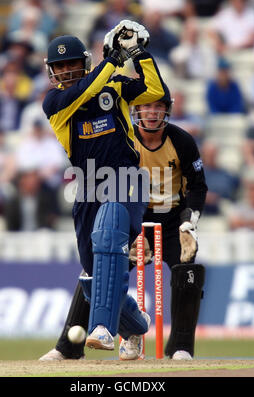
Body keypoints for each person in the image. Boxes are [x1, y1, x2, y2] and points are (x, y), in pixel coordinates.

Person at [40, 83, 208, 361]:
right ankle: (68, 346)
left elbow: (198, 187)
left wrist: (189, 224)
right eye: (146, 106)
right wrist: (130, 229)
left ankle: (180, 347)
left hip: (170, 223)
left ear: (167, 109)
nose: (152, 113)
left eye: (159, 107)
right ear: (135, 109)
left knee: (186, 267)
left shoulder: (182, 141)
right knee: (95, 270)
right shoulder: (122, 139)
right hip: (133, 217)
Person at [40, 20, 167, 357]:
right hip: (87, 188)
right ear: (52, 72)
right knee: (94, 282)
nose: (67, 71)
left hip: (126, 179)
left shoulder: (112, 85)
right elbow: (83, 92)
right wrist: (110, 61)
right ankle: (136, 328)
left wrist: (140, 55)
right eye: (60, 66)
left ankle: (102, 330)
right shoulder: (55, 104)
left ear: (84, 63)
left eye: (72, 64)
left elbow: (156, 93)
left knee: (111, 226)